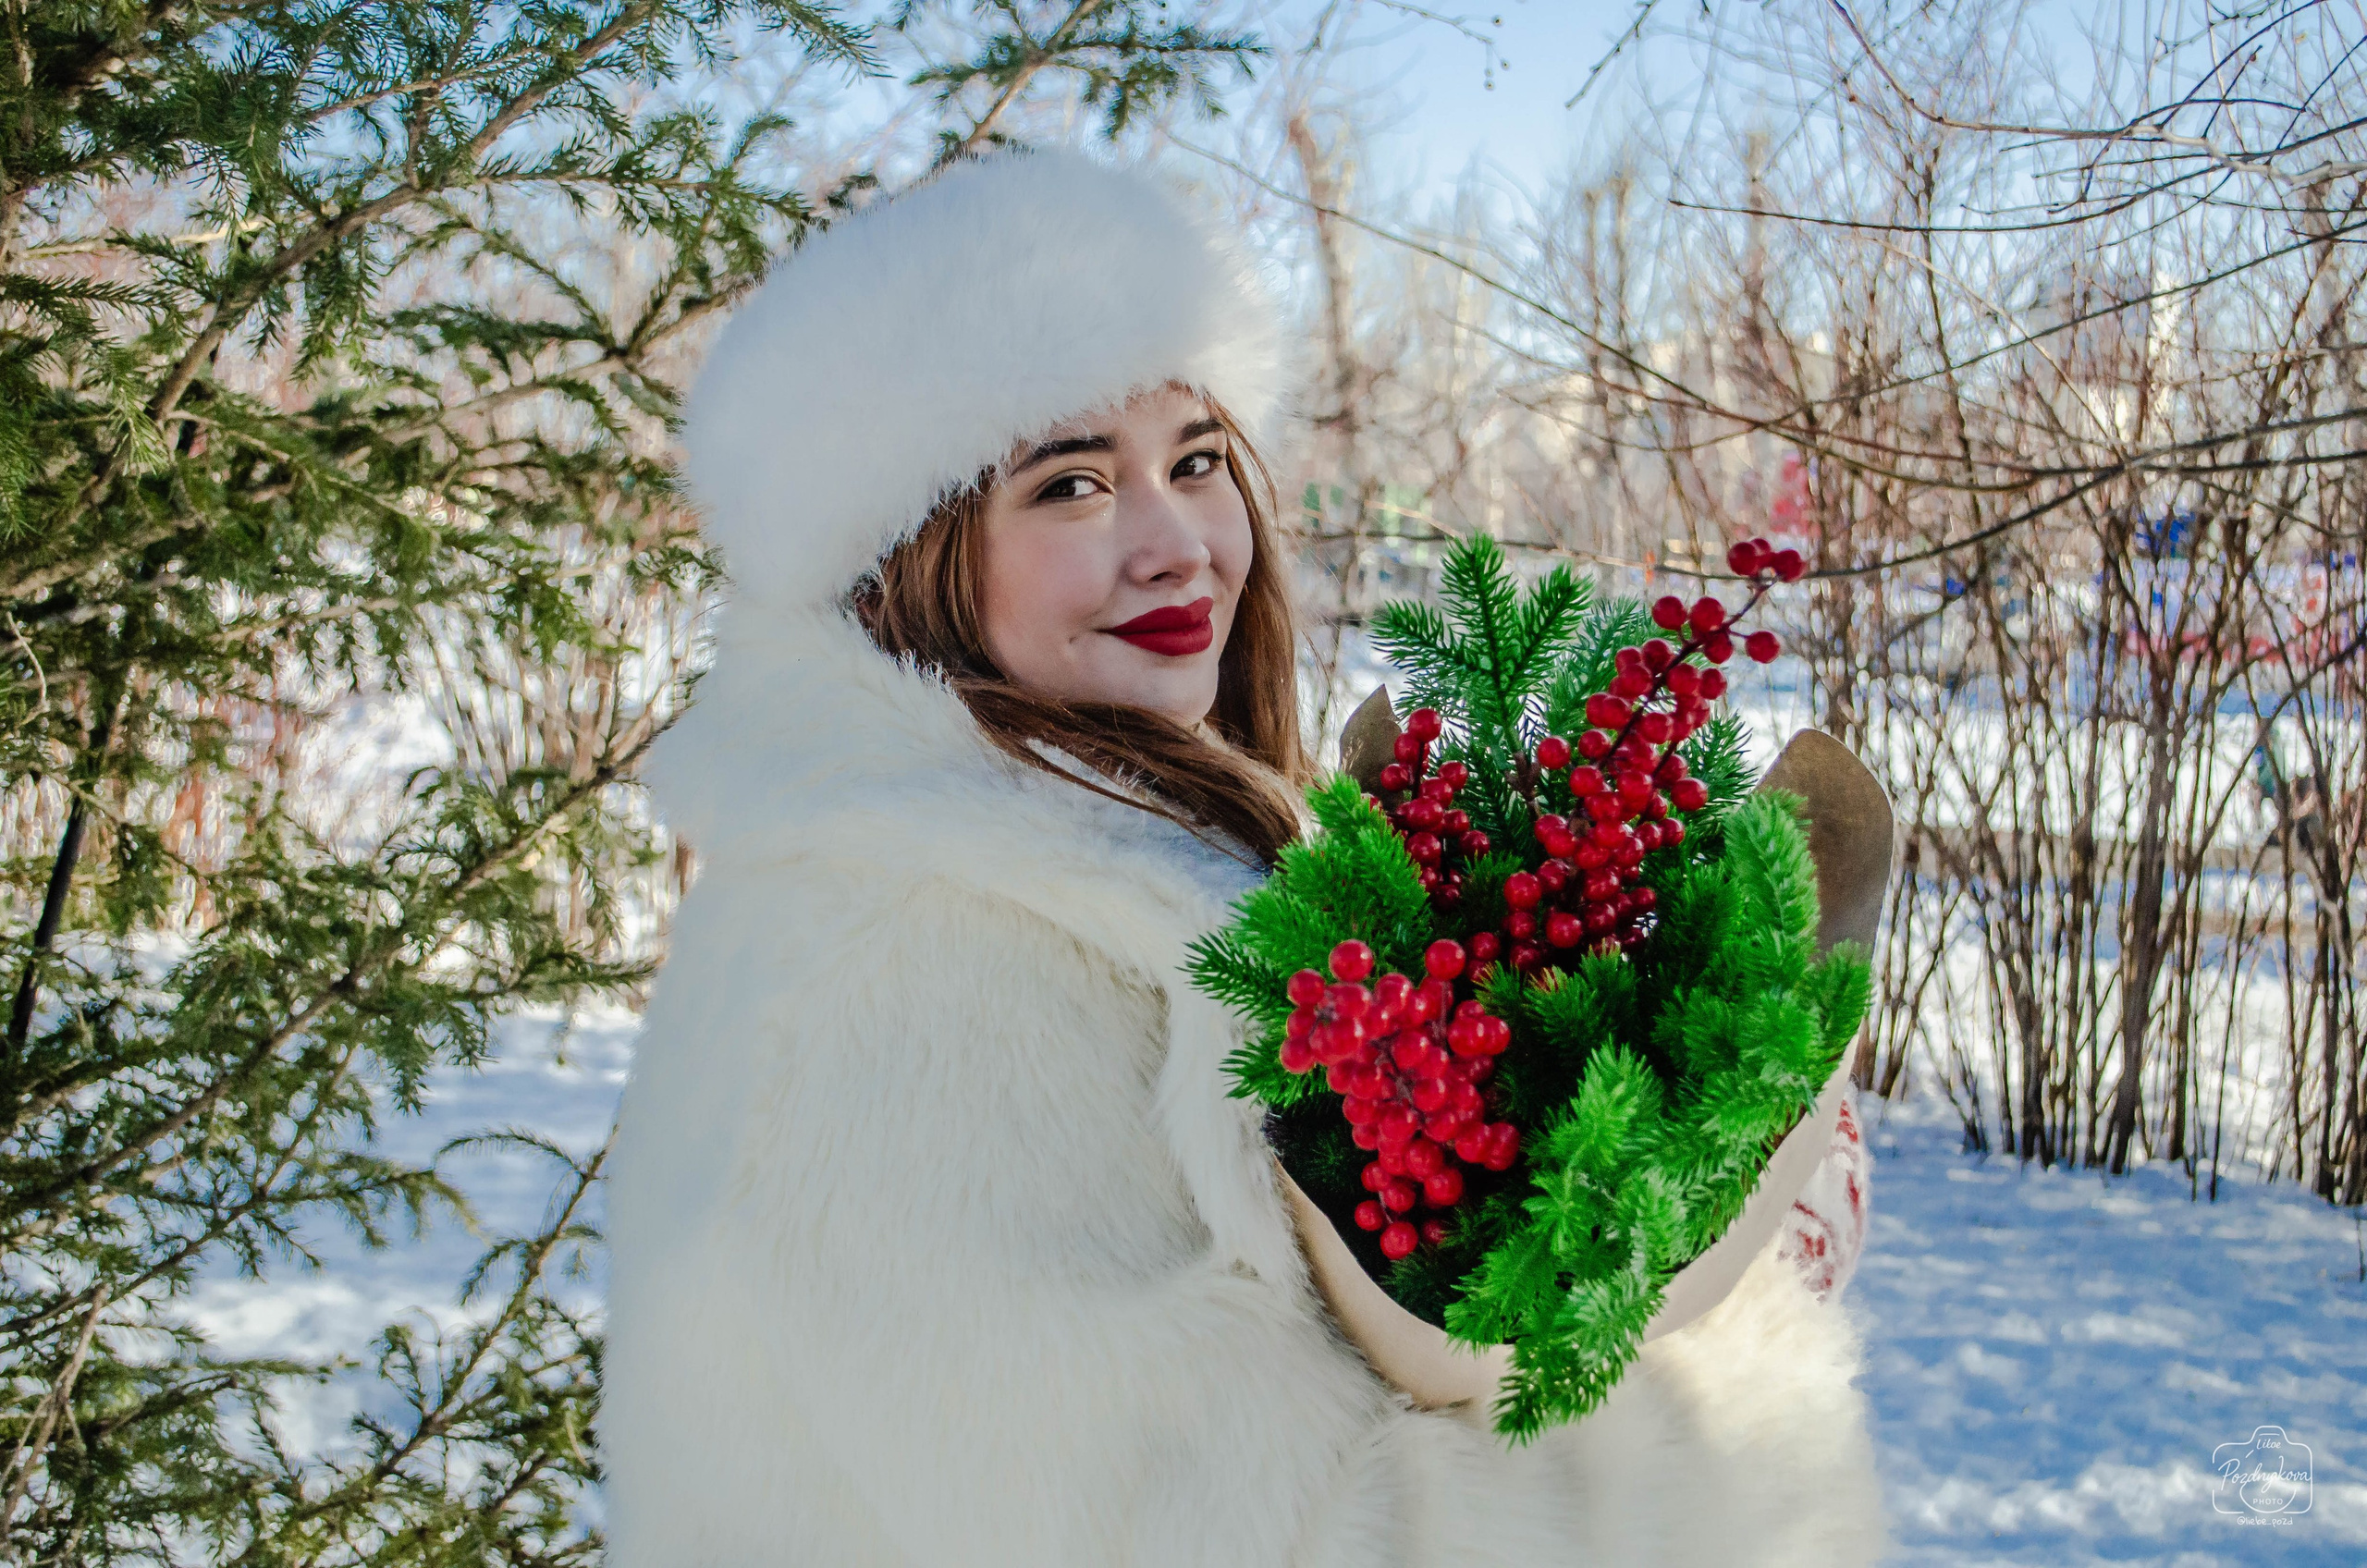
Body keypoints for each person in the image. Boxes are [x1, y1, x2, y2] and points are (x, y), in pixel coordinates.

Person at [602, 146, 1887, 1567]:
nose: (1177, 546)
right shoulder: (905, 977)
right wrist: (1748, 1335)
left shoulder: (1074, 874)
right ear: (904, 562)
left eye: (1197, 461)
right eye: (1069, 485)